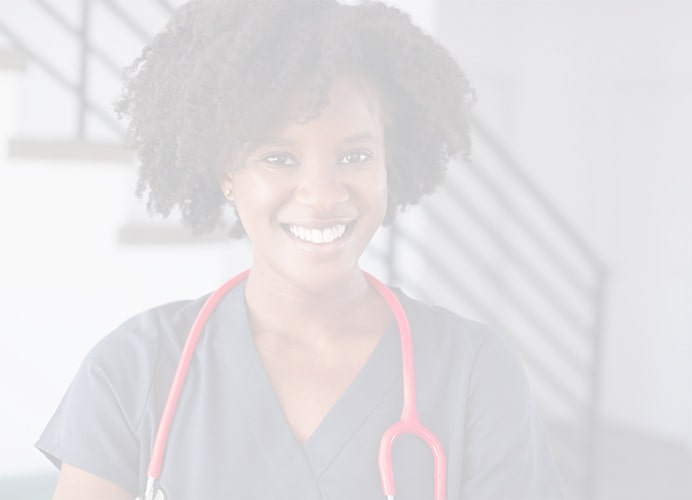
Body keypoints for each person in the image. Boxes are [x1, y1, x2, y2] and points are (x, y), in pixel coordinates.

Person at [36, 1, 565, 499]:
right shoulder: (131, 369)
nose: (323, 195)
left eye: (355, 154)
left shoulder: (475, 372)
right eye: (279, 158)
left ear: (390, 162)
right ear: (226, 173)